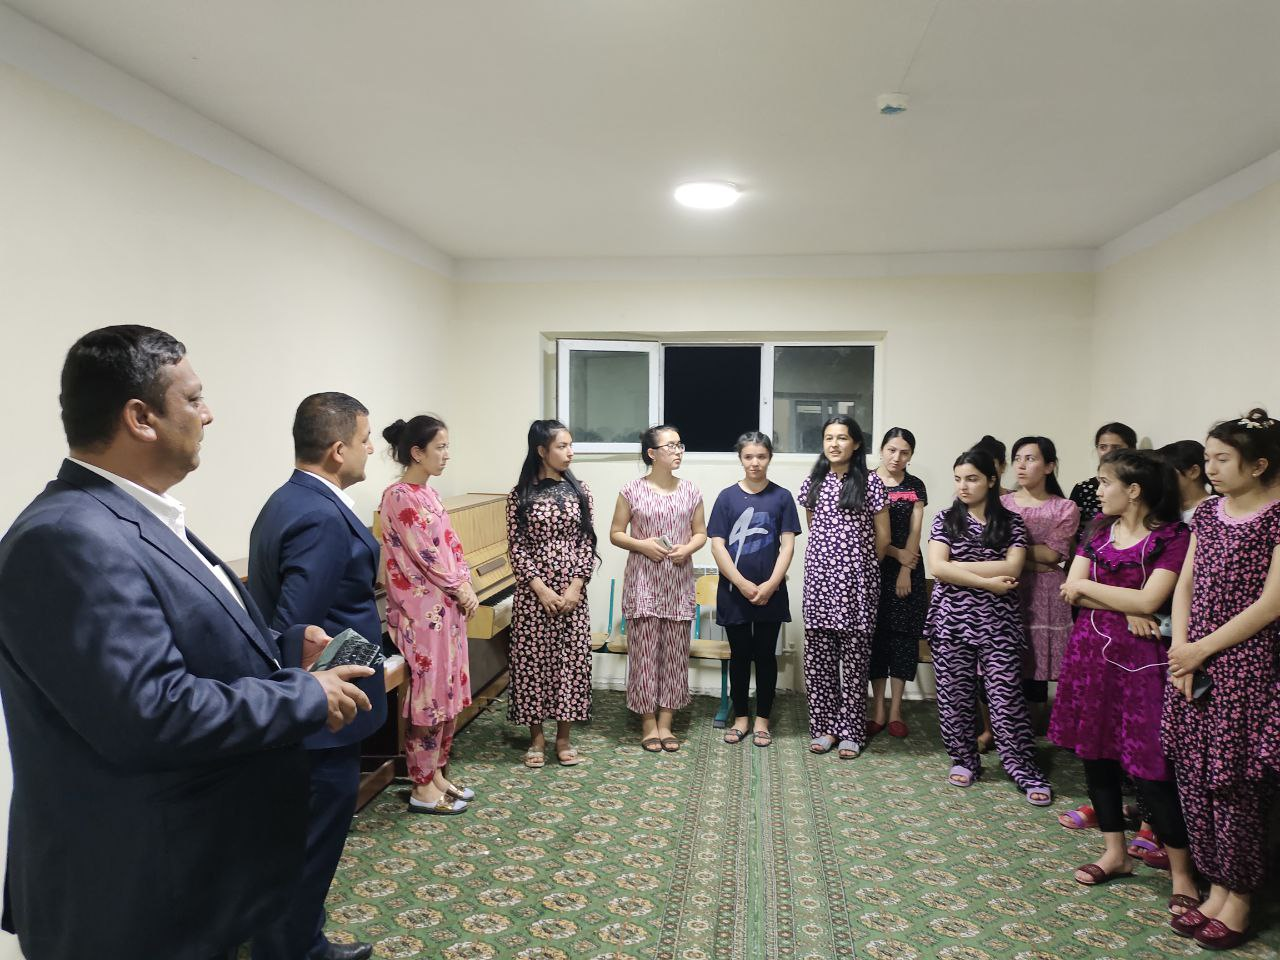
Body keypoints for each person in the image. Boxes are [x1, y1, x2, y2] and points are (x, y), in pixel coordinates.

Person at [0, 326, 373, 960]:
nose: (209, 414)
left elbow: (182, 641)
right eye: (194, 398)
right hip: (130, 890)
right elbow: (149, 712)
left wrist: (285, 648)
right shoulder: (68, 537)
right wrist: (304, 696)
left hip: (185, 872)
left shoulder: (137, 515)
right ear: (140, 418)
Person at [248, 393, 388, 960]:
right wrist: (310, 705)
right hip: (320, 719)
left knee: (297, 844)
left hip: (308, 713)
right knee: (311, 846)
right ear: (337, 450)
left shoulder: (288, 499)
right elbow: (295, 626)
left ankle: (300, 940)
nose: (371, 449)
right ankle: (296, 950)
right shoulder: (321, 516)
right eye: (364, 440)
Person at [1049, 451, 1197, 913]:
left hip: (1144, 664)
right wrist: (1128, 603)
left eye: (1105, 482)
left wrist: (1110, 595)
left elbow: (1154, 598)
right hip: (1091, 657)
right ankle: (1115, 853)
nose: (1098, 490)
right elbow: (1070, 589)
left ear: (1133, 490)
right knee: (1096, 757)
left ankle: (1183, 874)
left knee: (1151, 769)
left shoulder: (1173, 536)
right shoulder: (1097, 531)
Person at [1164, 409, 1280, 948]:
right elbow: (1185, 584)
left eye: (1222, 459)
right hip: (1194, 658)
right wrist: (1181, 648)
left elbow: (1272, 603)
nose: (1209, 468)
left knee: (1234, 783)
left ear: (1259, 465)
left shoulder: (1277, 517)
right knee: (1194, 774)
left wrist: (1201, 650)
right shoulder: (1209, 513)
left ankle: (1240, 896)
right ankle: (1214, 884)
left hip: (1247, 664)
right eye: (1207, 458)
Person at [925, 448, 1052, 805]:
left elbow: (1012, 568)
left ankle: (1023, 768)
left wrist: (957, 568)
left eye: (972, 479)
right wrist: (988, 581)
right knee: (954, 696)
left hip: (999, 623)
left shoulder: (1011, 522)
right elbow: (937, 567)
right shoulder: (945, 519)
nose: (963, 486)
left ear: (992, 480)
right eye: (958, 479)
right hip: (951, 620)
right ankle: (964, 760)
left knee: (1006, 698)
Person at [379, 415, 478, 814]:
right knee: (429, 697)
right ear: (417, 452)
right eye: (440, 447)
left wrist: (465, 581)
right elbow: (427, 554)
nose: (446, 454)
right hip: (422, 614)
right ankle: (421, 785)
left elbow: (451, 544)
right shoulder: (398, 495)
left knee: (448, 693)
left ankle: (436, 773)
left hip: (447, 607)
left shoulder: (429, 494)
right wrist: (460, 586)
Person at [506, 419, 599, 767]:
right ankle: (536, 738)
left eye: (570, 445)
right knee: (532, 664)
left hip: (573, 595)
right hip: (534, 596)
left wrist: (576, 586)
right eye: (562, 446)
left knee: (570, 664)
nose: (570, 452)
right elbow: (516, 547)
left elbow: (587, 542)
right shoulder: (519, 495)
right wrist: (541, 589)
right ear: (542, 451)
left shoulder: (581, 491)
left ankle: (563, 737)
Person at [610, 424, 707, 753]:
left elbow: (701, 533)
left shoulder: (691, 491)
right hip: (643, 584)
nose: (678, 451)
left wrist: (687, 548)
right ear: (652, 453)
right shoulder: (631, 490)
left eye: (680, 445)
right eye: (670, 446)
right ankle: (648, 723)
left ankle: (667, 723)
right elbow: (615, 533)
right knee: (644, 656)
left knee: (675, 656)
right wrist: (642, 545)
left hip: (678, 583)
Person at [798, 415, 889, 760]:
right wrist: (830, 565)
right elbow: (814, 529)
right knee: (819, 661)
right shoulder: (814, 482)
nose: (834, 444)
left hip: (857, 586)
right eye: (829, 438)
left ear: (856, 444)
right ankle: (825, 728)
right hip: (820, 584)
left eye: (842, 438)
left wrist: (857, 568)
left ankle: (851, 730)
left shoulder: (871, 483)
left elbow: (883, 538)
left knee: (854, 663)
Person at [708, 432, 801, 748]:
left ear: (769, 458)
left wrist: (772, 584)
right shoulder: (726, 497)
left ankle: (762, 720)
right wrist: (741, 582)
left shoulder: (782, 497)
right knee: (740, 655)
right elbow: (717, 545)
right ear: (741, 458)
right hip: (734, 591)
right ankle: (741, 718)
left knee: (764, 655)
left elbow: (788, 546)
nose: (755, 462)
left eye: (761, 456)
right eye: (748, 456)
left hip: (771, 591)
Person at [1003, 437, 1078, 716]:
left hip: (1045, 593)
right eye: (1017, 459)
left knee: (1036, 663)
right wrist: (1033, 562)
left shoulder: (1065, 507)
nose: (1021, 465)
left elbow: (1054, 554)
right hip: (1006, 587)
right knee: (1004, 658)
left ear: (1049, 466)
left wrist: (1014, 556)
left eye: (1030, 459)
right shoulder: (1001, 504)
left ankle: (1033, 724)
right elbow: (993, 549)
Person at [868, 428, 928, 740]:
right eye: (892, 450)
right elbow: (865, 528)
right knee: (876, 636)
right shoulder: (866, 481)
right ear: (882, 449)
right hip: (873, 565)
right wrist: (895, 553)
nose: (897, 457)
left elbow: (916, 530)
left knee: (903, 639)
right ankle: (878, 709)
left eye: (904, 452)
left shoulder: (915, 485)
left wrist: (906, 567)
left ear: (911, 455)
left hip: (909, 567)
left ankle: (895, 711)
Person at [1069, 422, 1137, 536]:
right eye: (1103, 447)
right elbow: (1071, 533)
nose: (1108, 452)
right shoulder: (1082, 489)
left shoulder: (1139, 486)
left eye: (1116, 447)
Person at [1156, 439, 1213, 522]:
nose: (1163, 476)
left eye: (1168, 471)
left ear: (1194, 472)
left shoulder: (1213, 510)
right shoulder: (1168, 508)